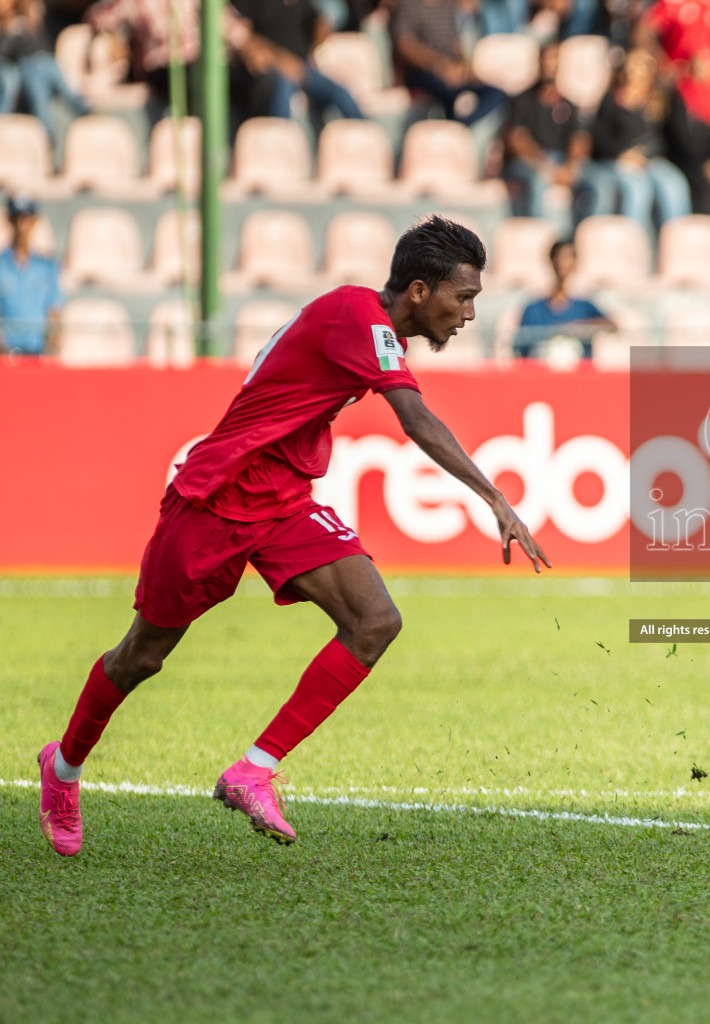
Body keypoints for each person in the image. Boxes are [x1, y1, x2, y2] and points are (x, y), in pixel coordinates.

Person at [35, 216, 551, 858]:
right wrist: (495, 496)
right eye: (464, 297)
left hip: (282, 501)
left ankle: (253, 769)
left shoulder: (369, 324)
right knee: (141, 656)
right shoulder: (357, 317)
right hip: (217, 497)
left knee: (375, 621)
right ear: (419, 290)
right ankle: (63, 768)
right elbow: (414, 418)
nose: (470, 313)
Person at [84, 0, 258, 121]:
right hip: (163, 68)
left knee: (256, 82)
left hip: (202, 65)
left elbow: (237, 32)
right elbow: (97, 17)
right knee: (195, 76)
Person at [588, 48, 692, 233]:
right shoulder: (612, 98)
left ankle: (676, 243)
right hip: (616, 160)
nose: (637, 70)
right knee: (637, 189)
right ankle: (632, 244)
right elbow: (599, 136)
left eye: (643, 65)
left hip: (650, 160)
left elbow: (666, 137)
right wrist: (621, 154)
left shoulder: (658, 100)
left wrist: (646, 156)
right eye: (634, 64)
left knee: (674, 184)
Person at [499, 41, 601, 222]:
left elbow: (580, 139)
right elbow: (517, 140)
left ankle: (582, 236)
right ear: (539, 62)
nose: (550, 65)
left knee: (598, 182)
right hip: (530, 163)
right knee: (538, 180)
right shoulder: (522, 100)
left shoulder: (567, 103)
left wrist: (569, 167)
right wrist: (548, 167)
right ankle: (538, 236)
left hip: (561, 161)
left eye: (555, 60)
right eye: (547, 59)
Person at [231, 0, 364, 128]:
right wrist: (282, 61)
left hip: (303, 66)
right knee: (282, 91)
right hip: (272, 68)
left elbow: (319, 20)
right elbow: (244, 37)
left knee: (342, 94)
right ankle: (279, 144)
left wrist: (318, 48)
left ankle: (366, 140)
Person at [391, 0, 506, 126]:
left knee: (495, 93)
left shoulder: (447, 5)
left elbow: (454, 42)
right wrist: (439, 66)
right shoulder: (408, 4)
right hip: (422, 71)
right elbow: (404, 45)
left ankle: (461, 124)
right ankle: (456, 124)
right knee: (452, 96)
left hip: (449, 69)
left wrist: (463, 65)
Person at [662, 46, 710, 218]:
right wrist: (708, 165)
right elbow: (682, 140)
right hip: (688, 161)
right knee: (708, 194)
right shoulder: (679, 98)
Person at [513, 238, 614, 358]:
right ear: (551, 261)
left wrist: (577, 328)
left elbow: (612, 325)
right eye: (559, 257)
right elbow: (521, 347)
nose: (562, 263)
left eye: (568, 257)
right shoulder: (533, 309)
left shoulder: (585, 306)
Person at [0, 0, 89, 133]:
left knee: (68, 92)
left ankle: (88, 113)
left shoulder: (37, 27)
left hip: (48, 61)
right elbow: (6, 52)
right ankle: (46, 136)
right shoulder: (17, 27)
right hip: (32, 66)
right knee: (40, 103)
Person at [0, 194, 63, 357]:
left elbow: (54, 311)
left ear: (34, 221)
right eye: (16, 218)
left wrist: (52, 343)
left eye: (25, 218)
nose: (21, 225)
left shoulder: (46, 267)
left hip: (37, 354)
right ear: (9, 221)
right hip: (6, 356)